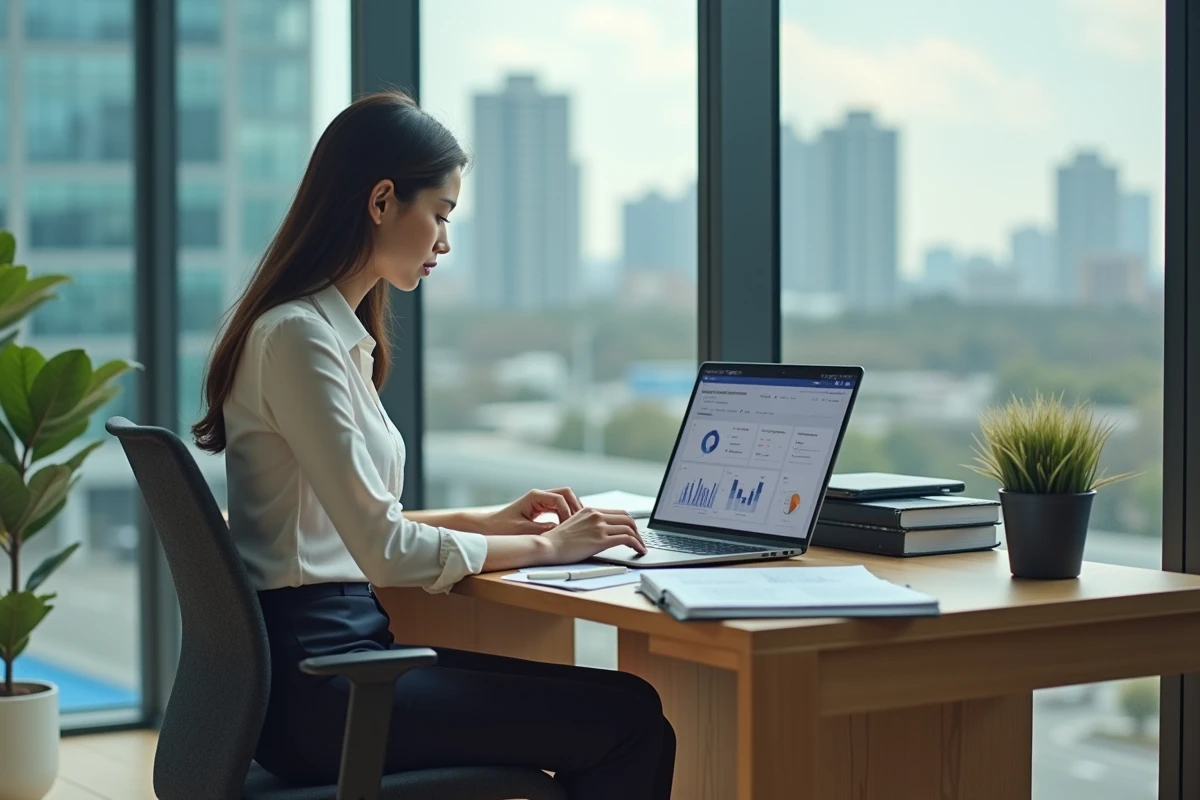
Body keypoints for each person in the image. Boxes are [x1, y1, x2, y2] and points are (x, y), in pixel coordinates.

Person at [190, 91, 676, 799]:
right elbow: (382, 550)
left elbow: (346, 526)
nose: (446, 242)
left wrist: (488, 521)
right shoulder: (298, 338)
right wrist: (549, 546)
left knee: (632, 703)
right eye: (441, 215)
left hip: (337, 665)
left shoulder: (324, 335)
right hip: (326, 690)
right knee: (628, 724)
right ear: (383, 200)